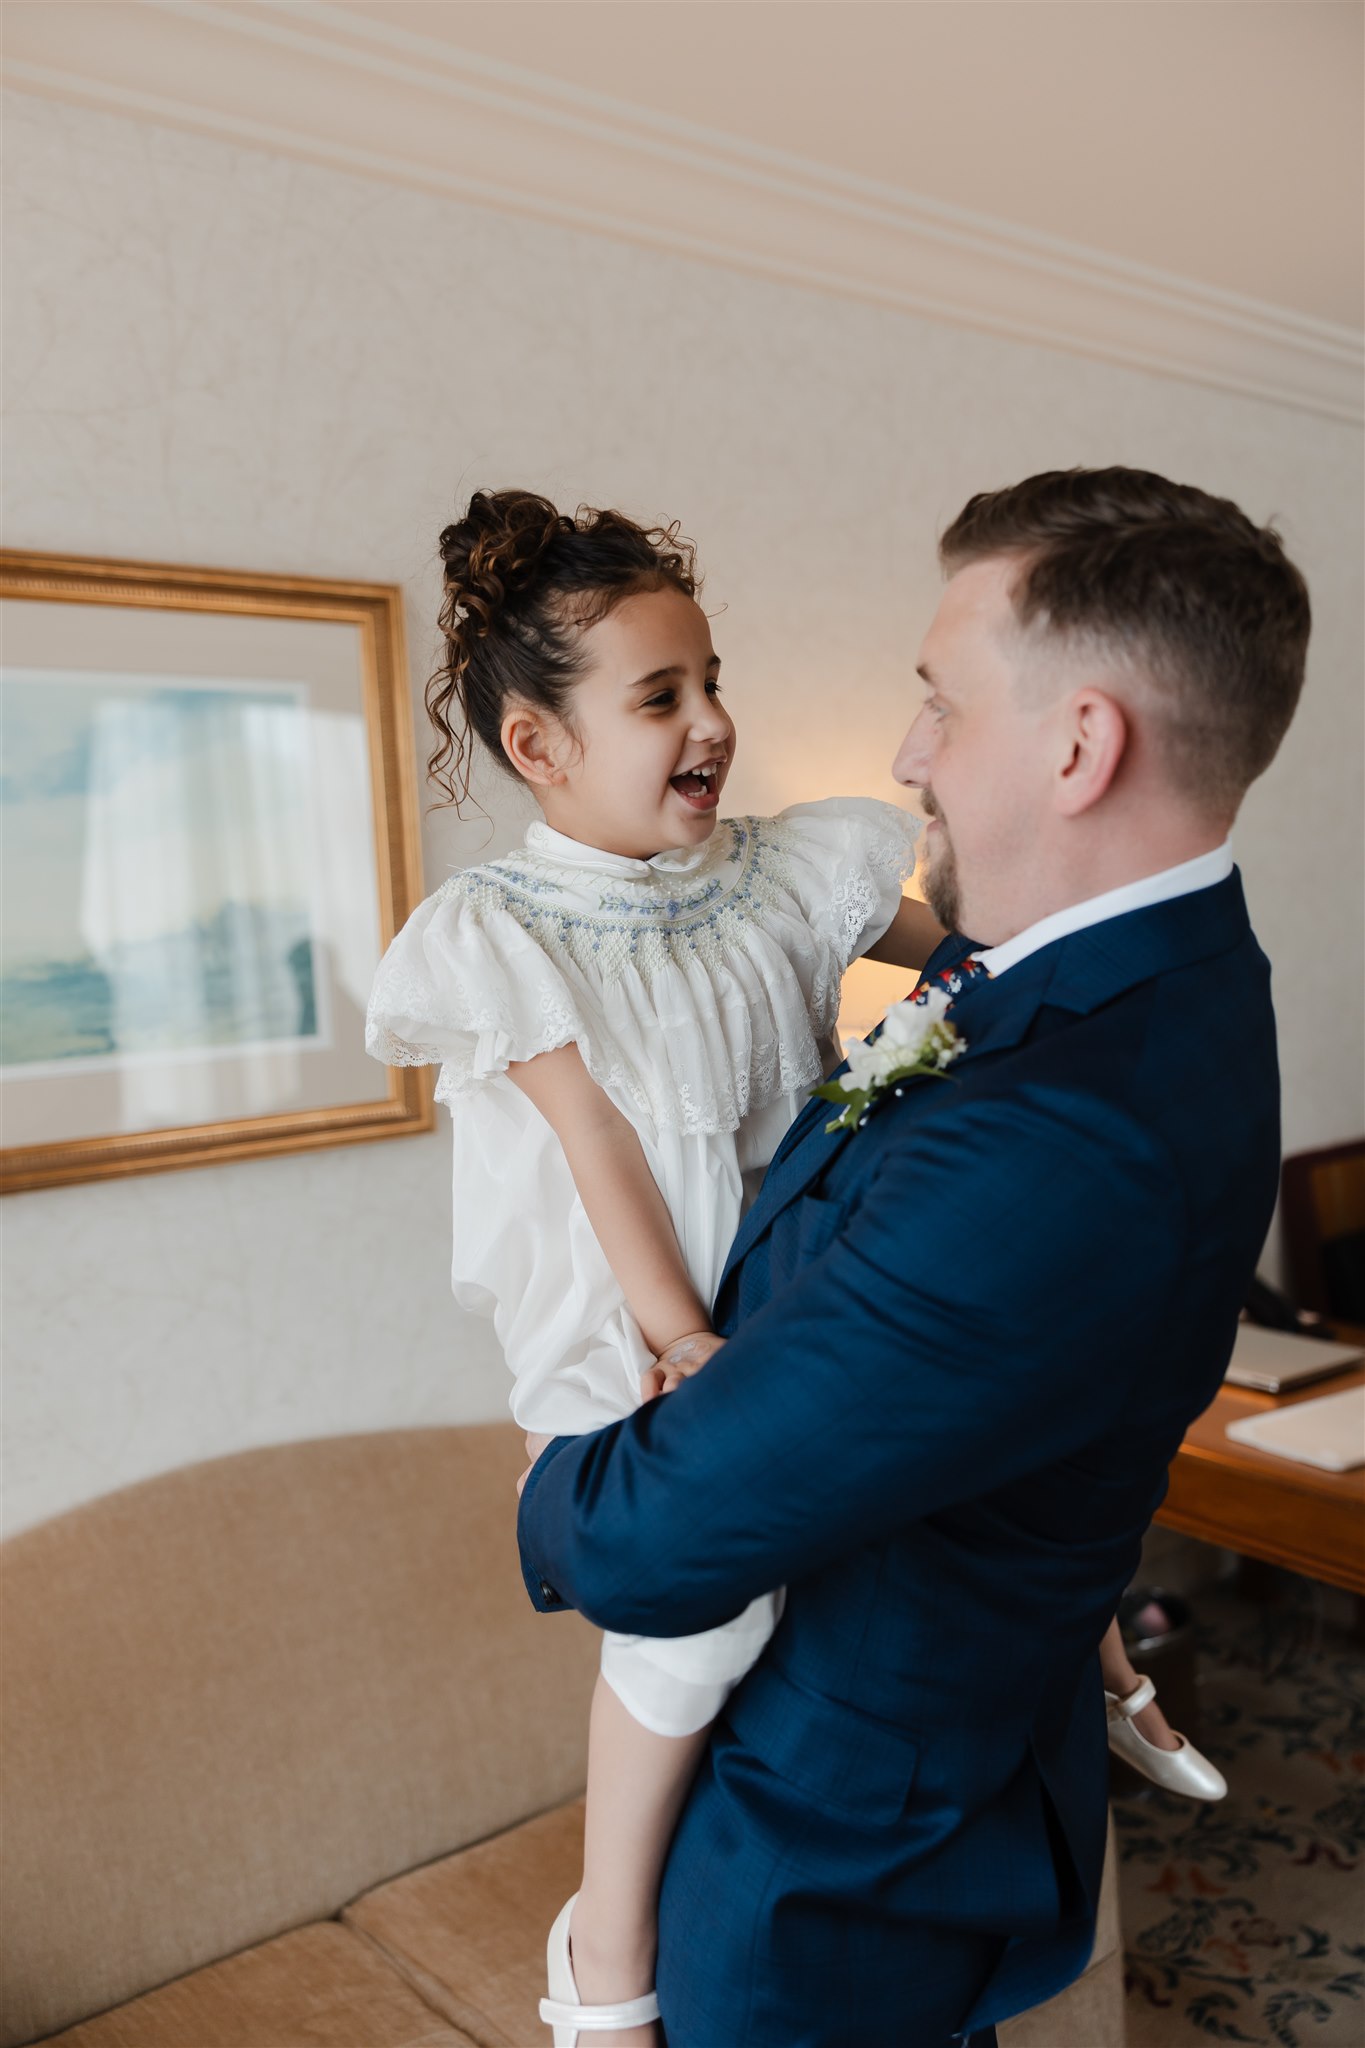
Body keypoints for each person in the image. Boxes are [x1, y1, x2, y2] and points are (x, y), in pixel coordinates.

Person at [366, 485, 1216, 2048]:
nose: (710, 724)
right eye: (656, 700)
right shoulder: (503, 933)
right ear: (539, 751)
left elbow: (951, 974)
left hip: (787, 1269)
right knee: (701, 1620)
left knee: (977, 1470)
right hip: (639, 1310)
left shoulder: (776, 873)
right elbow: (598, 1151)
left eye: (708, 683)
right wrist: (687, 1340)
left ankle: (1110, 1669)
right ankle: (603, 1946)